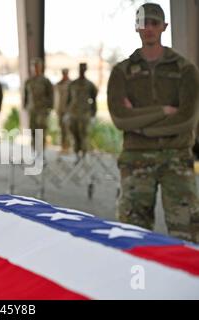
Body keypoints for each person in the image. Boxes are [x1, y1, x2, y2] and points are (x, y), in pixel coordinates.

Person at [107, 3, 199, 242]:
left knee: (187, 232)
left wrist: (139, 124)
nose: (148, 28)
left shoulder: (186, 70)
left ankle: (187, 280)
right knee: (133, 235)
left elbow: (186, 120)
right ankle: (137, 279)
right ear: (136, 28)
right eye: (143, 23)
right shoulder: (122, 72)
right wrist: (163, 110)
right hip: (136, 160)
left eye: (154, 23)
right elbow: (119, 118)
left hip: (176, 158)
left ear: (164, 27)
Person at [67, 63, 98, 161]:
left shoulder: (90, 85)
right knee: (74, 134)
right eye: (81, 68)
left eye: (84, 69)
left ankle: (84, 155)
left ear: (86, 70)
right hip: (73, 114)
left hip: (85, 114)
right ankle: (76, 155)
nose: (82, 70)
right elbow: (68, 100)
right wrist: (67, 113)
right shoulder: (73, 84)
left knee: (83, 134)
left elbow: (94, 100)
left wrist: (93, 114)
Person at [24, 58, 53, 152]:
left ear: (40, 67)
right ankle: (34, 151)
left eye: (37, 66)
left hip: (42, 111)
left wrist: (49, 108)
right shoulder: (29, 81)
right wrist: (26, 106)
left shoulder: (46, 81)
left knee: (41, 131)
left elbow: (51, 96)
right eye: (34, 66)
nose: (35, 68)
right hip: (32, 110)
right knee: (32, 131)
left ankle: (41, 152)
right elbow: (25, 95)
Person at [54, 68, 72, 153]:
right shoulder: (58, 84)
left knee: (67, 129)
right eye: (63, 73)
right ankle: (63, 146)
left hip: (68, 110)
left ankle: (67, 147)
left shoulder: (71, 84)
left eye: (66, 73)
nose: (65, 75)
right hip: (60, 110)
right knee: (61, 128)